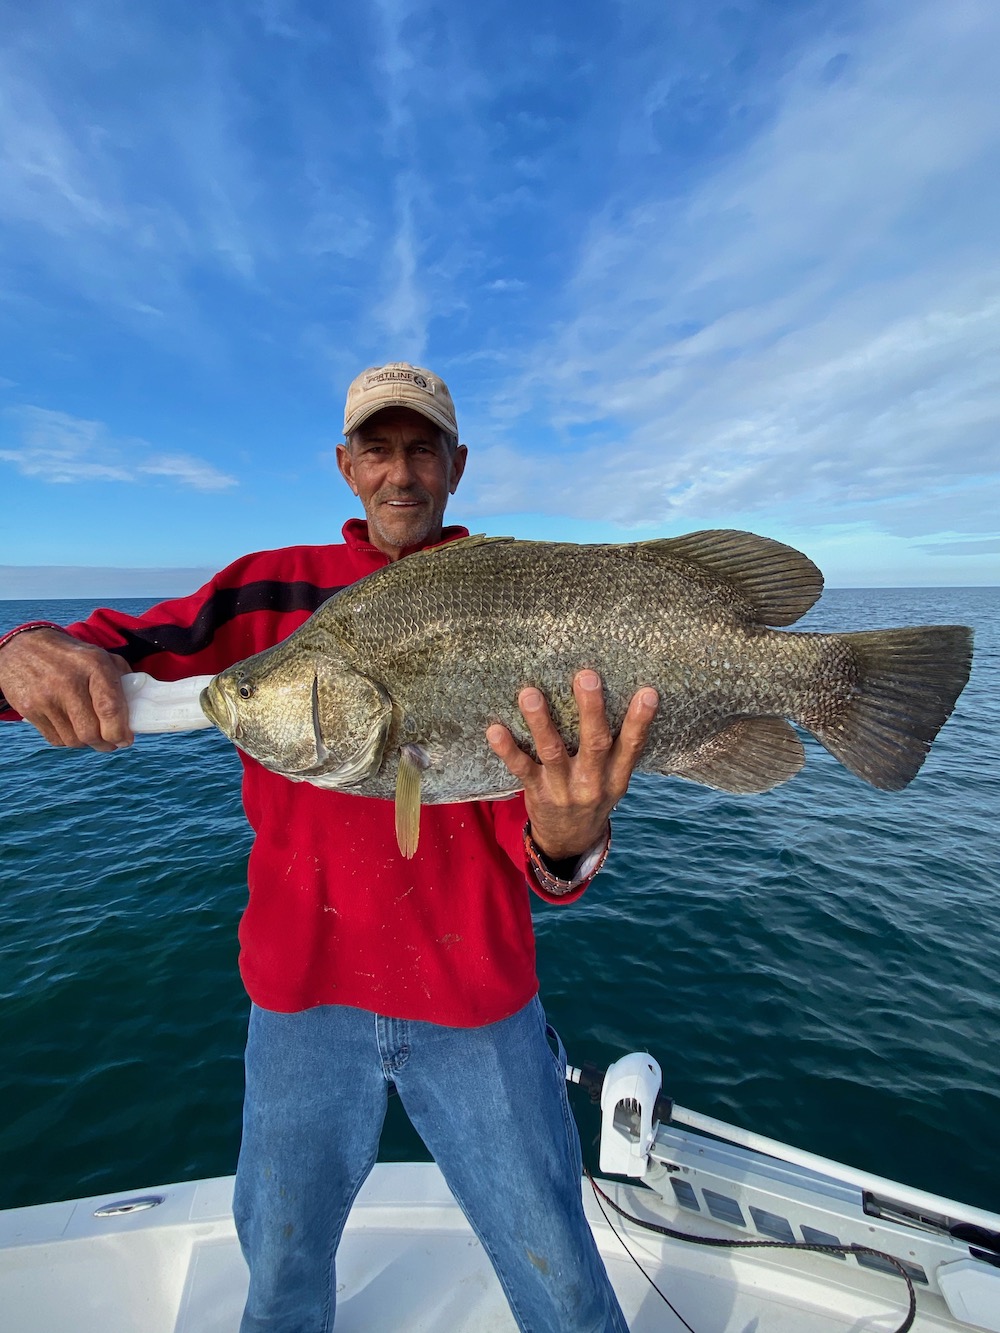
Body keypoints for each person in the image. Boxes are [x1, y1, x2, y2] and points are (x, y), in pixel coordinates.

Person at [0, 362, 658, 1332]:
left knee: (563, 1284)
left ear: (457, 465)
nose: (401, 474)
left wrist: (571, 838)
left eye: (422, 449)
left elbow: (543, 857)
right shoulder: (267, 590)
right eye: (379, 450)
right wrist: (26, 646)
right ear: (346, 465)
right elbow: (113, 651)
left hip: (479, 1007)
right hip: (298, 1005)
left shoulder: (513, 598)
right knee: (279, 1275)